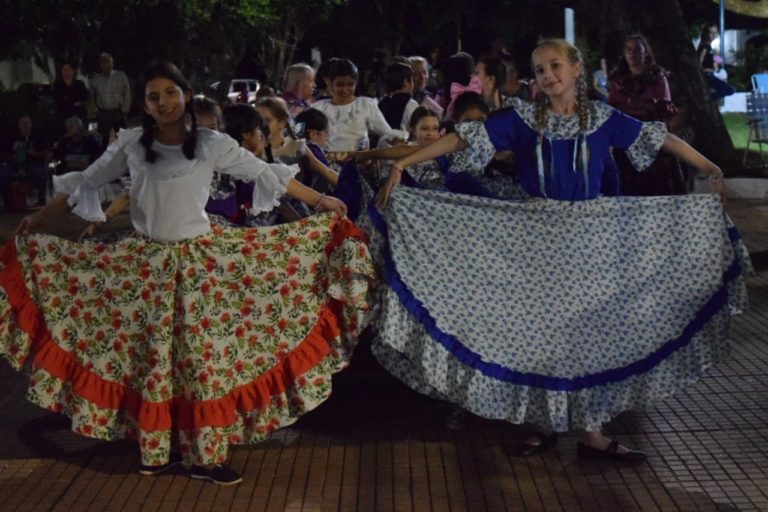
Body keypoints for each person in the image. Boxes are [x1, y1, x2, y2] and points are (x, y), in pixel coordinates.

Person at [0, 61, 373, 486]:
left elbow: (266, 174)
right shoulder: (131, 143)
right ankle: (156, 452)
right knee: (152, 364)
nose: (164, 103)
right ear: (145, 104)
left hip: (200, 269)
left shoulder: (212, 142)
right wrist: (38, 220)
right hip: (143, 269)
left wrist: (321, 200)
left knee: (200, 364)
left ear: (185, 95)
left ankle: (205, 457)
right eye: (154, 97)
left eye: (171, 93)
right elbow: (83, 183)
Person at [374, 39, 736, 463]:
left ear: (577, 69)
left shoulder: (602, 118)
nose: (548, 75)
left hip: (590, 241)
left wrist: (709, 167)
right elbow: (458, 142)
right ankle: (544, 424)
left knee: (585, 338)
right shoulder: (523, 119)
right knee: (540, 335)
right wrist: (403, 164)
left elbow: (662, 140)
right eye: (540, 69)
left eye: (555, 65)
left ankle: (591, 432)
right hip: (536, 240)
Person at [608, 34, 685, 195]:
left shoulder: (657, 77)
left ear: (646, 53)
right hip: (627, 138)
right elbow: (613, 109)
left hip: (652, 138)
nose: (632, 53)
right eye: (628, 49)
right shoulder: (618, 80)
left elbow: (664, 109)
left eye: (637, 49)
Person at [312, 59, 407, 161]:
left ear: (356, 82)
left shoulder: (365, 105)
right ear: (328, 82)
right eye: (340, 85)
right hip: (326, 164)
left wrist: (399, 142)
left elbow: (385, 132)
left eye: (350, 84)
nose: (345, 89)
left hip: (358, 163)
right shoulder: (319, 108)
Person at [0, 114, 49, 207]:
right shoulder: (11, 137)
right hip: (14, 162)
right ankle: (7, 200)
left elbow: (45, 152)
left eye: (27, 123)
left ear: (31, 124)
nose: (25, 125)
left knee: (40, 173)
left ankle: (41, 199)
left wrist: (34, 154)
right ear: (19, 125)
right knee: (3, 175)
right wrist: (13, 157)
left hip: (33, 161)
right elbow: (4, 152)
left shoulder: (37, 136)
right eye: (23, 123)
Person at [90, 53, 132, 148]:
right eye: (103, 62)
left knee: (123, 139)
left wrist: (125, 110)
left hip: (118, 111)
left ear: (112, 63)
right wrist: (95, 111)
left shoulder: (120, 76)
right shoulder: (95, 79)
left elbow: (127, 94)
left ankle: (124, 160)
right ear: (100, 64)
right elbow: (91, 96)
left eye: (108, 62)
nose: (105, 65)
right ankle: (105, 160)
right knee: (103, 141)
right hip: (103, 113)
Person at [378, 62, 419, 133]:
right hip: (402, 143)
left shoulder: (381, 103)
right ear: (406, 81)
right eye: (412, 80)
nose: (413, 84)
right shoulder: (411, 104)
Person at [698, 25, 735, 100]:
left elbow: (716, 62)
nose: (714, 35)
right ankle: (708, 98)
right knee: (730, 90)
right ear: (706, 34)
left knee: (728, 89)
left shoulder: (709, 46)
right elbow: (700, 60)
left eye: (715, 33)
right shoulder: (705, 46)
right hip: (707, 75)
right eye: (711, 33)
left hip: (711, 74)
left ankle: (709, 97)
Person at [52, 62, 89, 133]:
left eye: (68, 69)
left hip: (79, 115)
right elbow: (58, 100)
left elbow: (83, 98)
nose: (66, 72)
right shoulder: (57, 86)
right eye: (64, 70)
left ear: (72, 71)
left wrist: (70, 101)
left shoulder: (80, 84)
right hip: (63, 116)